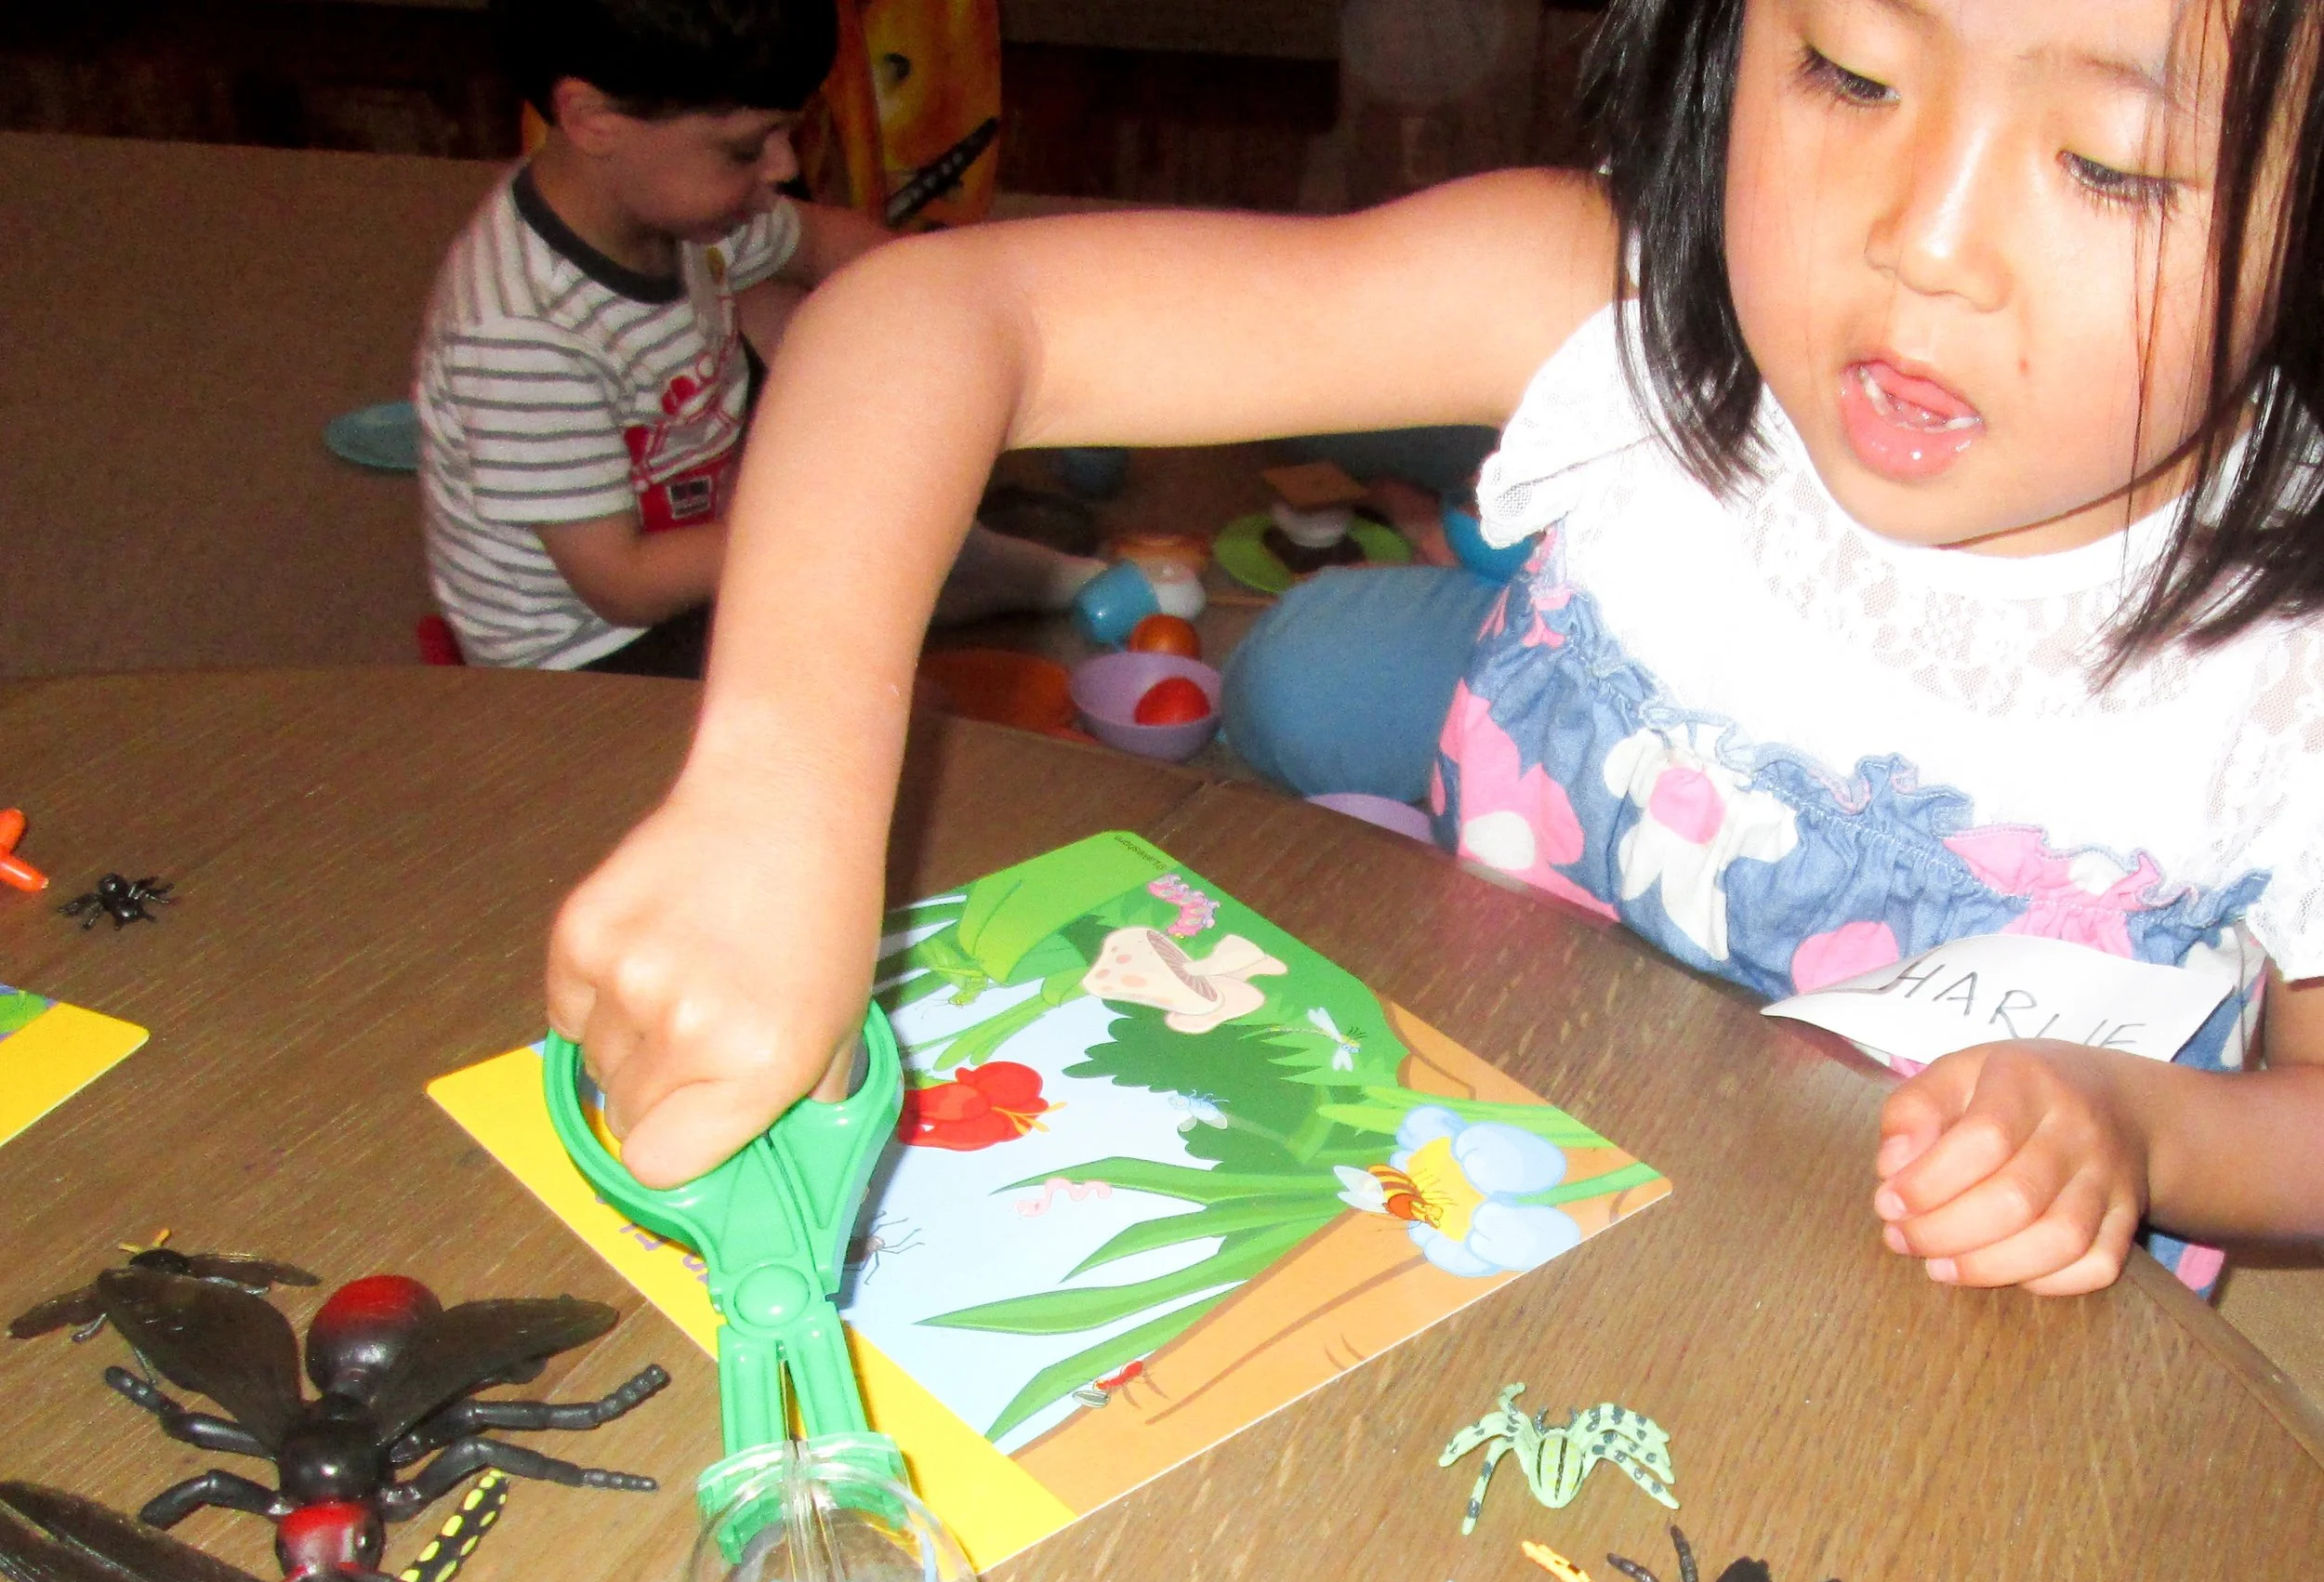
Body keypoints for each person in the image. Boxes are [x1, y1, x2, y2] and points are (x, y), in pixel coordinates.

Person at [546, 0, 2324, 1297]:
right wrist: (775, 792)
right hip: (1461, 1198)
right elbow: (946, 312)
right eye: (1849, 72)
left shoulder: (2289, 652)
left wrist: (2149, 1133)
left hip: (1902, 1337)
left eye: (2117, 166)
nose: (1926, 244)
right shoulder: (1609, 300)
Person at [416, 0, 1099, 677]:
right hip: (592, 654)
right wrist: (812, 526)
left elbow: (824, 242)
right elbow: (621, 586)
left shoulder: (680, 205)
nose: (778, 166)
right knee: (852, 704)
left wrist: (966, 305)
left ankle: (933, 568)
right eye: (747, 147)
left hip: (698, 521)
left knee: (815, 315)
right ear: (594, 120)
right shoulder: (520, 333)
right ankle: (904, 575)